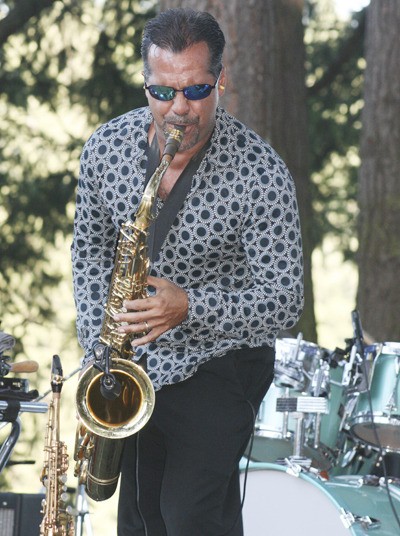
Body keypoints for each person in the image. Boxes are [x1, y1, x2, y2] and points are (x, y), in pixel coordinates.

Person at [71, 7, 304, 536]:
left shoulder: (260, 172)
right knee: (138, 521)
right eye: (163, 91)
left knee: (190, 519)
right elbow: (88, 252)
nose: (179, 109)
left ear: (220, 79)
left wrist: (190, 307)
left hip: (218, 366)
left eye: (196, 91)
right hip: (133, 364)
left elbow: (285, 298)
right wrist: (99, 341)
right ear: (146, 82)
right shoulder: (106, 149)